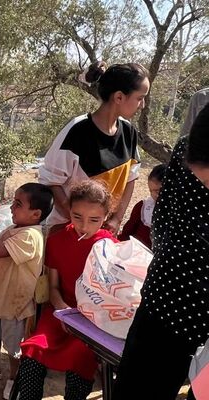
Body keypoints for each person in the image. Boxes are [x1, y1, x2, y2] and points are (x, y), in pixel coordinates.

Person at [112, 105, 209, 400]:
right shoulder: (189, 151)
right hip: (169, 300)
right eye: (204, 182)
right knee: (139, 388)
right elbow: (164, 219)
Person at [19, 180, 118, 400]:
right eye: (77, 217)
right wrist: (63, 311)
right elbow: (53, 287)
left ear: (105, 217)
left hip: (93, 320)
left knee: (80, 357)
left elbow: (111, 296)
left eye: (94, 220)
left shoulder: (110, 246)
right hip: (58, 313)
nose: (84, 226)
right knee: (33, 353)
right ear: (68, 211)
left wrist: (83, 318)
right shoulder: (57, 240)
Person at [40, 61, 149, 235]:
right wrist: (79, 223)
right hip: (65, 234)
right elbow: (52, 182)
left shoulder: (129, 132)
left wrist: (116, 219)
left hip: (101, 235)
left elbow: (130, 179)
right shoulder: (77, 131)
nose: (142, 105)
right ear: (119, 97)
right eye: (140, 98)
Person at [0, 183, 53, 399]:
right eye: (13, 203)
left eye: (18, 204)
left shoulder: (31, 236)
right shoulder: (13, 229)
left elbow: (0, 250)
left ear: (36, 214)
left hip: (15, 303)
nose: (12, 208)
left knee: (14, 346)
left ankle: (14, 379)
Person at [118, 163, 167, 248]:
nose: (154, 195)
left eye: (158, 191)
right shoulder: (143, 207)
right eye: (151, 191)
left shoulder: (179, 213)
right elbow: (127, 233)